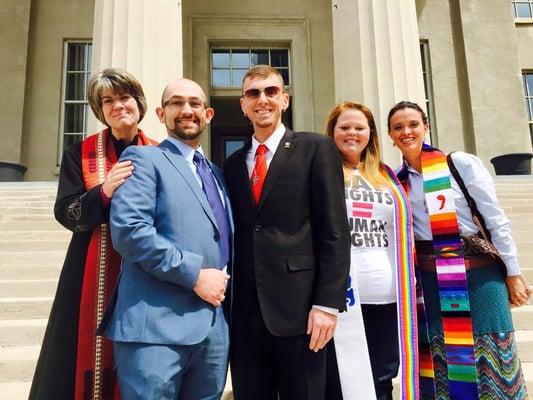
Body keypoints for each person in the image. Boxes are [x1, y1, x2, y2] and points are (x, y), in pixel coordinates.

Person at [223, 64, 350, 400]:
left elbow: (335, 230)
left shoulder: (316, 149)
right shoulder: (233, 165)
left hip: (302, 310)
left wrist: (326, 304)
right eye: (253, 93)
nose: (262, 100)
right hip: (246, 314)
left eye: (271, 92)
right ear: (243, 105)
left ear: (285, 100)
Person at [388, 100, 531, 399]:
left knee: (493, 359)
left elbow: (495, 220)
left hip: (478, 277)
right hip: (432, 283)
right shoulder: (398, 182)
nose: (407, 131)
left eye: (413, 124)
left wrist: (514, 272)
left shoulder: (458, 164)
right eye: (398, 127)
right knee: (445, 364)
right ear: (390, 135)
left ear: (426, 127)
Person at [29, 68, 155, 400]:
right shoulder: (79, 154)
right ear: (100, 111)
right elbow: (67, 212)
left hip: (145, 271)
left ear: (139, 103)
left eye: (125, 97)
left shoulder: (161, 154)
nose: (118, 106)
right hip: (90, 272)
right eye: (108, 101)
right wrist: (104, 191)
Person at [105, 78, 231, 400]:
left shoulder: (217, 174)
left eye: (195, 103)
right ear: (161, 114)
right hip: (155, 331)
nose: (186, 110)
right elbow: (130, 231)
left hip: (213, 333)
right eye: (176, 103)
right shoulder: (142, 159)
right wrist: (195, 276)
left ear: (209, 114)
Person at [324, 102, 419, 400]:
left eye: (359, 127)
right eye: (344, 127)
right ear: (332, 133)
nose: (352, 133)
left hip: (387, 296)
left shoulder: (387, 176)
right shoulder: (323, 172)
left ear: (371, 134)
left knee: (382, 377)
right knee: (339, 380)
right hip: (342, 298)